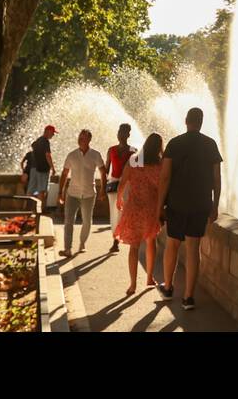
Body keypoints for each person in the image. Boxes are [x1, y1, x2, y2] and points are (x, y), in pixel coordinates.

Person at [158, 107, 222, 311]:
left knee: (173, 244)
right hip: (200, 203)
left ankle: (168, 288)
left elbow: (165, 177)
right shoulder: (210, 144)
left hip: (176, 203)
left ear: (186, 121)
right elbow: (217, 179)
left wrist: (159, 205)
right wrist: (215, 205)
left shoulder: (174, 144)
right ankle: (188, 298)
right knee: (194, 248)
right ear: (201, 122)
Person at [114, 133, 164, 295]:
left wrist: (119, 198)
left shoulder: (134, 160)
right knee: (151, 242)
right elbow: (164, 186)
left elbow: (123, 181)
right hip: (151, 208)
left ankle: (133, 284)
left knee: (134, 247)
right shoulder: (160, 164)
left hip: (134, 207)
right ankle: (149, 277)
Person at [58, 129, 107, 257]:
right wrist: (60, 192)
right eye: (79, 138)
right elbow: (64, 174)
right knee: (68, 221)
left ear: (89, 140)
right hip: (72, 193)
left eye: (83, 138)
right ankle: (67, 248)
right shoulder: (72, 155)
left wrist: (103, 190)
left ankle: (82, 243)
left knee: (87, 221)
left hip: (89, 194)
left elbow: (103, 172)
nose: (80, 140)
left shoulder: (95, 155)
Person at [105, 124, 138, 254]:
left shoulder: (134, 151)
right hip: (113, 184)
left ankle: (118, 240)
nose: (121, 135)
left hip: (127, 185)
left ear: (128, 135)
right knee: (114, 213)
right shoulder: (111, 150)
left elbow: (139, 171)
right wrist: (103, 186)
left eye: (124, 132)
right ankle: (116, 238)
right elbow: (107, 169)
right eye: (120, 132)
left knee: (121, 213)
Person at [23, 125, 57, 213]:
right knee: (41, 190)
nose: (53, 135)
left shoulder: (38, 141)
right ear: (47, 131)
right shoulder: (45, 142)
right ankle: (41, 210)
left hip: (34, 168)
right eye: (52, 133)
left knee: (31, 189)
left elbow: (33, 154)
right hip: (42, 169)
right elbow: (47, 155)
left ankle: (27, 209)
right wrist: (53, 168)